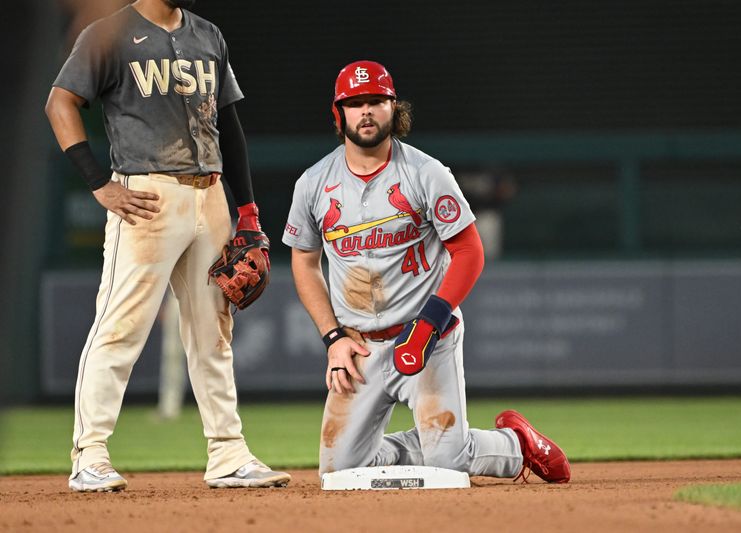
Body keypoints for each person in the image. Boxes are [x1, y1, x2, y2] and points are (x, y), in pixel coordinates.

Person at [282, 60, 571, 483]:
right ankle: (441, 442)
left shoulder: (425, 173)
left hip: (427, 337)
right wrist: (333, 338)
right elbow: (304, 263)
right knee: (339, 472)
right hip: (359, 346)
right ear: (337, 113)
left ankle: (515, 444)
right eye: (355, 103)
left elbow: (470, 252)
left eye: (376, 101)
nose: (366, 112)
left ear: (393, 108)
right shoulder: (313, 183)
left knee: (448, 465)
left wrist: (430, 321)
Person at [45, 0, 290, 492]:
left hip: (211, 194)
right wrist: (98, 183)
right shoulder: (108, 34)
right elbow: (60, 102)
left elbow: (229, 125)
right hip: (147, 196)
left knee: (213, 333)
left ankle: (228, 454)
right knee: (121, 327)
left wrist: (247, 212)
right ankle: (89, 455)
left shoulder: (208, 35)